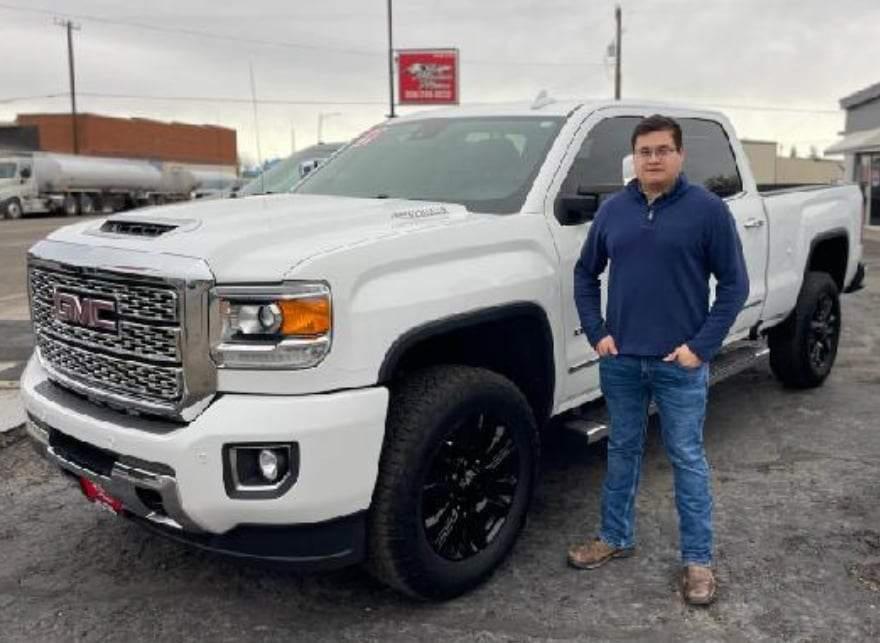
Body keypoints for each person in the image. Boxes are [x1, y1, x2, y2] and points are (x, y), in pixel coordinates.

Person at [567, 114, 749, 605]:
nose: (653, 159)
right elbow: (585, 274)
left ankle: (698, 561)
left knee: (686, 458)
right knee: (622, 450)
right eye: (645, 151)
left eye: (663, 150)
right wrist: (598, 333)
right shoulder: (613, 211)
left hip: (679, 365)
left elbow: (735, 285)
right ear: (635, 157)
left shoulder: (708, 210)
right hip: (621, 362)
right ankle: (614, 537)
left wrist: (700, 347)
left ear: (680, 155)